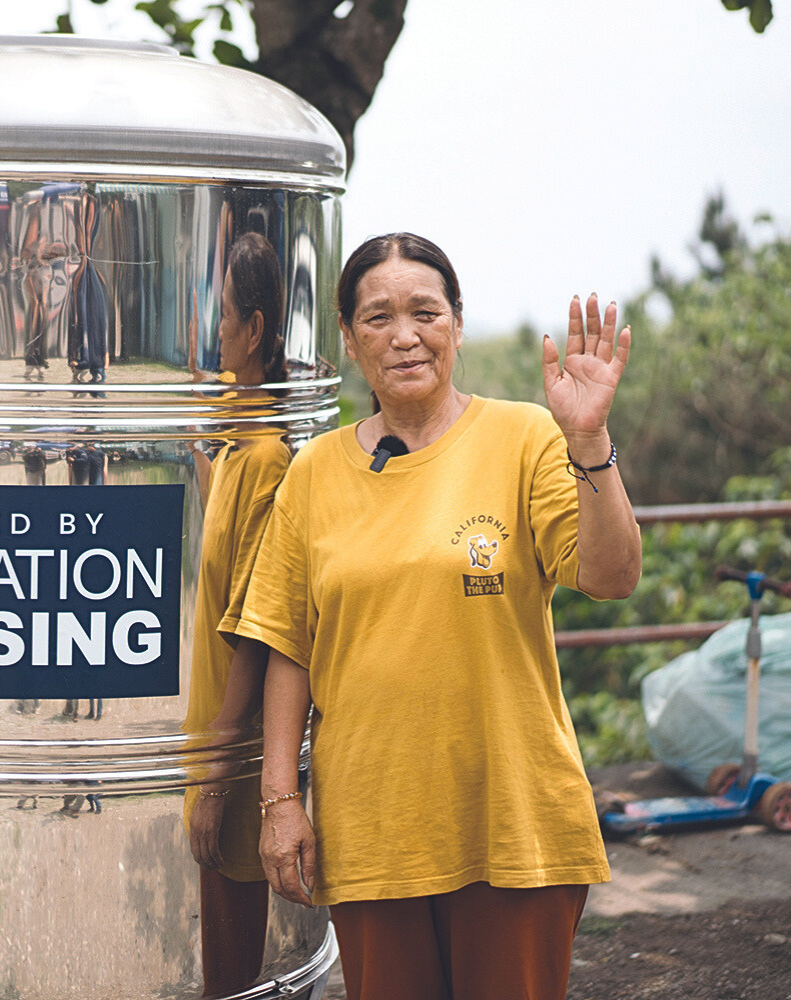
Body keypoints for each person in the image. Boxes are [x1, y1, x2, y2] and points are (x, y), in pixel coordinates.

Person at [236, 233, 642, 1000]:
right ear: (350, 340)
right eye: (378, 317)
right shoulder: (315, 472)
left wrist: (587, 439)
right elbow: (289, 644)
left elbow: (612, 575)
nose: (405, 334)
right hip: (373, 823)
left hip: (512, 817)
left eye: (426, 311)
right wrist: (280, 803)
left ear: (456, 322)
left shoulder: (523, 436)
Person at [183, 232, 292, 997]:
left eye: (223, 316)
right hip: (211, 740)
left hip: (236, 748)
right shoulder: (239, 449)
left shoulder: (270, 460)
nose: (215, 330)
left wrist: (219, 774)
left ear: (253, 330)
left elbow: (256, 628)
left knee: (231, 966)